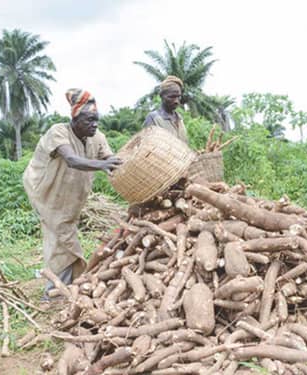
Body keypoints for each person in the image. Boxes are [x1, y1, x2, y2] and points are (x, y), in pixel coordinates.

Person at [23, 89, 122, 299]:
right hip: (46, 192)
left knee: (63, 235)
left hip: (70, 197)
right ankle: (53, 292)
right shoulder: (58, 132)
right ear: (75, 118)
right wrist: (102, 164)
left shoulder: (98, 138)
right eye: (89, 120)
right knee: (61, 236)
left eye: (96, 120)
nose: (94, 124)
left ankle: (68, 285)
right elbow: (71, 159)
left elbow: (112, 159)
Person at [143, 75, 189, 143]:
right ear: (162, 96)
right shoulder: (153, 118)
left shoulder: (179, 118)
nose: (176, 101)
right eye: (171, 97)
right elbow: (148, 145)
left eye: (178, 96)